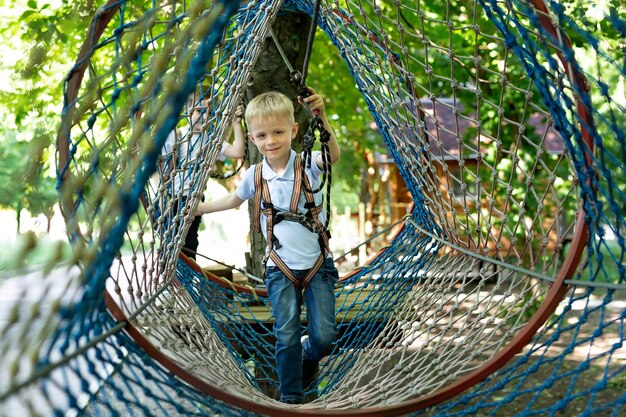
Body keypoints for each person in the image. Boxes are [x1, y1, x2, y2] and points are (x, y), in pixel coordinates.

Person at [195, 88, 340, 404]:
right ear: (252, 138)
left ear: (294, 130)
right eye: (262, 135)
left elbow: (332, 156)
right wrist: (199, 209)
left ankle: (309, 352)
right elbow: (234, 199)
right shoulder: (254, 175)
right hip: (280, 267)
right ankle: (291, 397)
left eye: (278, 132)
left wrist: (322, 117)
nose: (270, 140)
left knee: (325, 338)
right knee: (285, 333)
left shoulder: (308, 163)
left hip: (318, 265)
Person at [160, 92, 245, 260]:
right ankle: (173, 277)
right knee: (172, 244)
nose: (205, 116)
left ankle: (184, 280)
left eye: (210, 113)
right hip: (175, 198)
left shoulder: (211, 140)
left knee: (190, 243)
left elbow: (238, 152)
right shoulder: (178, 136)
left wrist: (236, 123)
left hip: (195, 197)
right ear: (187, 110)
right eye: (200, 111)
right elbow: (163, 170)